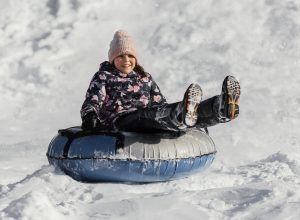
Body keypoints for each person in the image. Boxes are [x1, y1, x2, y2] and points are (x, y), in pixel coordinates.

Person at [81, 30, 241, 133]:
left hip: (147, 116)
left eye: (130, 56)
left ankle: (219, 108)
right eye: (121, 56)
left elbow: (159, 102)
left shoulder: (145, 78)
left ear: (136, 58)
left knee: (167, 111)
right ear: (113, 59)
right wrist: (90, 117)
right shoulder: (104, 76)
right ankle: (180, 116)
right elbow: (92, 102)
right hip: (121, 120)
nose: (126, 60)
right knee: (149, 116)